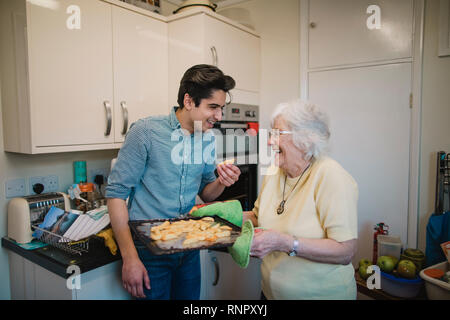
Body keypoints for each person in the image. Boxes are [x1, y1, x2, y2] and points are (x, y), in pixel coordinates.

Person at [105, 64, 241, 300]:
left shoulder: (207, 138)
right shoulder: (145, 132)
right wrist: (130, 258)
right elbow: (116, 194)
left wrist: (221, 181)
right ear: (189, 101)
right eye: (213, 107)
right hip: (148, 250)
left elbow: (207, 194)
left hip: (187, 245)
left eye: (221, 108)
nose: (219, 116)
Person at [244, 100, 358, 300]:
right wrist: (217, 219)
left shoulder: (331, 176)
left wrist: (285, 243)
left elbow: (345, 251)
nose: (270, 141)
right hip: (270, 294)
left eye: (278, 133)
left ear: (305, 139)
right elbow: (257, 216)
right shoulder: (274, 171)